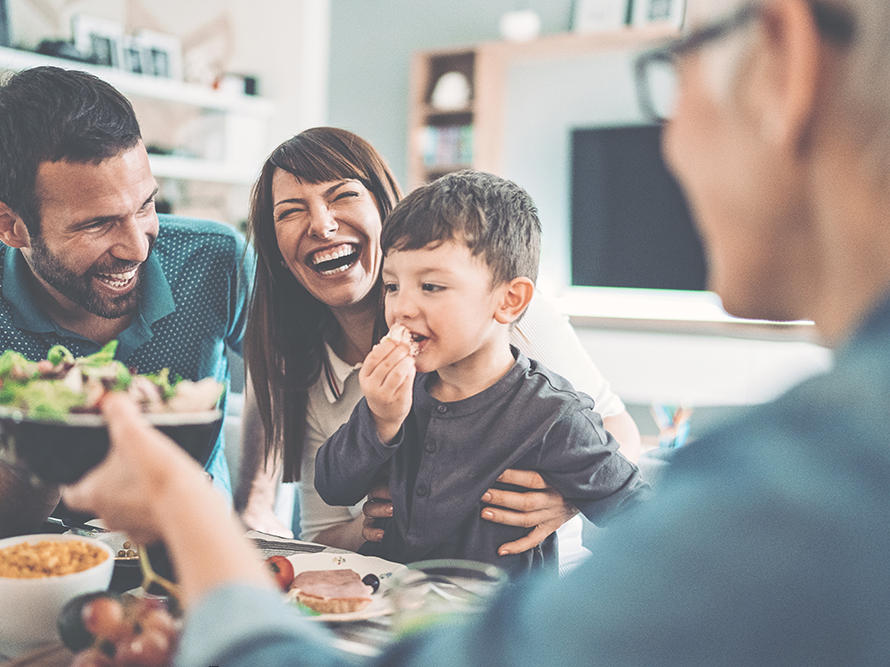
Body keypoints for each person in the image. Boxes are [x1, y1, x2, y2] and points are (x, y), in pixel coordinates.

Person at [64, 0, 890, 663]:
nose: (669, 138)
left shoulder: (808, 484)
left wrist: (178, 504)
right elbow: (335, 488)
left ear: (786, 61)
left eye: (670, 73)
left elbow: (618, 480)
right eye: (399, 286)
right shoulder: (384, 377)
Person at [237, 127, 642, 563]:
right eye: (393, 287)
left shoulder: (509, 332)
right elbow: (327, 507)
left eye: (343, 195)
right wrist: (378, 438)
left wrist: (567, 497)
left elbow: (623, 472)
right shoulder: (390, 390)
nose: (322, 224)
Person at [0, 66, 252, 537]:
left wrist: (261, 502)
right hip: (48, 559)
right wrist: (47, 410)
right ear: (8, 224)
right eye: (97, 224)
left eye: (146, 205)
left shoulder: (215, 258)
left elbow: (294, 380)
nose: (139, 248)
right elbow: (0, 512)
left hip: (199, 545)